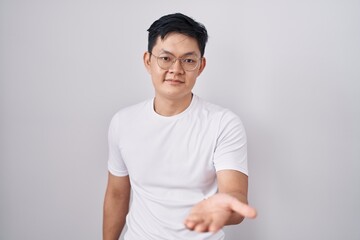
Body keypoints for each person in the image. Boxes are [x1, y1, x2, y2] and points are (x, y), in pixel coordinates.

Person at [103, 13, 257, 240]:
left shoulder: (223, 123)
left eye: (188, 60)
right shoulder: (122, 122)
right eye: (165, 58)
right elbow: (116, 194)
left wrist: (224, 208)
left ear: (201, 66)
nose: (176, 69)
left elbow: (234, 194)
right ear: (148, 61)